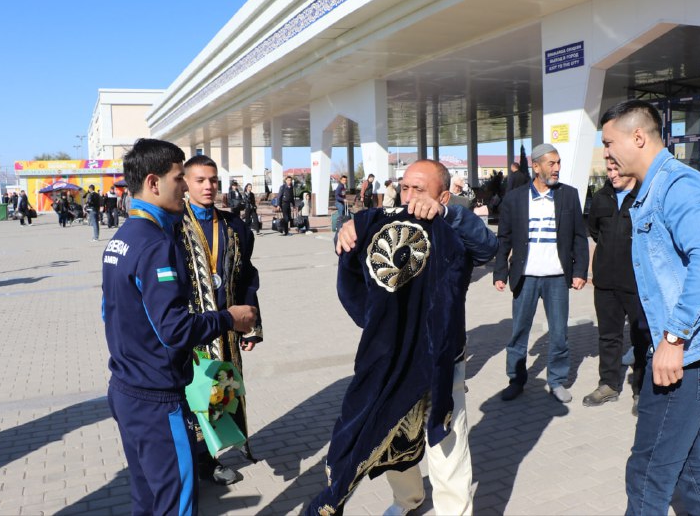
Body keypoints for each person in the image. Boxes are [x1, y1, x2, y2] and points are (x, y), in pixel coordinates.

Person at [308, 159, 498, 516]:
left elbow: (488, 247)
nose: (409, 196)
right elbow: (356, 256)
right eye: (405, 187)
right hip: (392, 356)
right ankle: (408, 498)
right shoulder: (384, 220)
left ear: (443, 194)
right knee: (393, 435)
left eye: (420, 190)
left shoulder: (454, 227)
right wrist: (346, 232)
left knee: (447, 442)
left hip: (443, 356)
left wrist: (446, 213)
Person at [599, 100, 700, 515]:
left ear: (637, 137)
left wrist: (673, 337)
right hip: (684, 349)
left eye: (610, 143)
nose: (606, 153)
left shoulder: (678, 186)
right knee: (686, 466)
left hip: (692, 351)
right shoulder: (648, 191)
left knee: (648, 471)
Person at [102, 138, 257, 515]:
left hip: (127, 388)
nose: (186, 186)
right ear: (153, 183)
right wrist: (229, 319)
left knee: (148, 498)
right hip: (156, 398)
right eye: (179, 178)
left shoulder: (122, 238)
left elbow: (111, 312)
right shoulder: (155, 243)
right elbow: (174, 329)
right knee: (176, 503)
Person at [180, 154, 263, 485]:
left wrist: (251, 325)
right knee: (191, 397)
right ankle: (194, 459)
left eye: (213, 180)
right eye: (200, 180)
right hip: (191, 332)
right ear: (185, 183)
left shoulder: (233, 226)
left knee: (221, 395)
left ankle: (210, 457)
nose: (208, 186)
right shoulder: (174, 226)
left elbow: (247, 278)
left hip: (226, 330)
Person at [493, 143, 588, 403]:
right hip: (525, 277)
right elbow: (504, 238)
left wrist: (580, 270)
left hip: (557, 277)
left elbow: (580, 237)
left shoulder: (569, 195)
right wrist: (500, 272)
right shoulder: (515, 198)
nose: (556, 168)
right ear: (536, 166)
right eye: (551, 163)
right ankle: (516, 379)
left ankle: (556, 380)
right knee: (519, 333)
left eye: (558, 163)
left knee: (559, 333)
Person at [582, 159, 648, 414]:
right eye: (608, 170)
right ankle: (608, 384)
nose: (612, 175)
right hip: (606, 281)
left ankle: (641, 390)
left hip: (637, 282)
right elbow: (595, 231)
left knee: (641, 338)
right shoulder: (601, 198)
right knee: (608, 336)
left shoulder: (645, 195)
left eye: (616, 169)